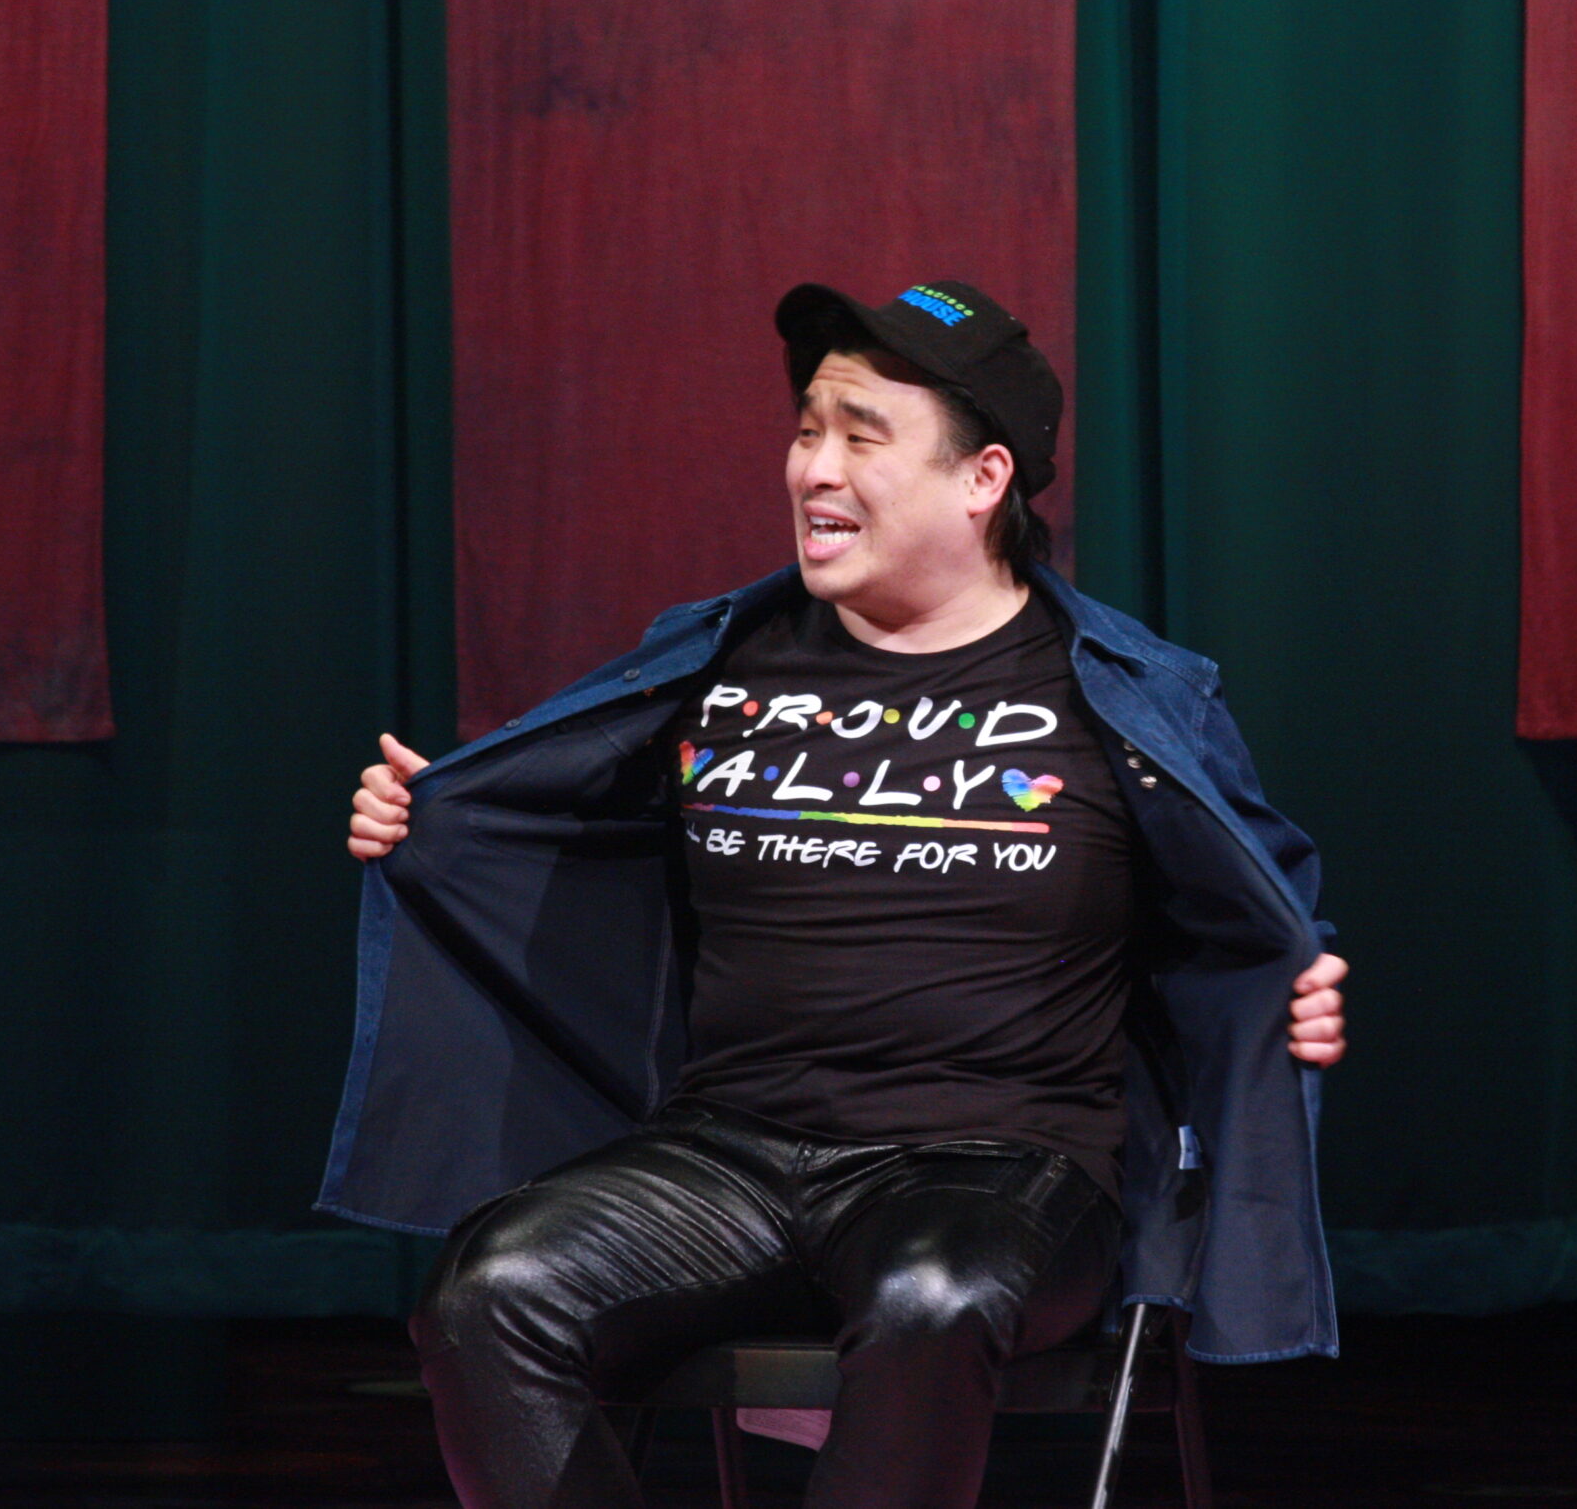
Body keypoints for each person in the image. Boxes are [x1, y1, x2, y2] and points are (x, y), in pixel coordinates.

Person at [330, 280, 1347, 1509]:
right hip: (728, 1155)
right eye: (808, 430)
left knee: (931, 1295)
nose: (814, 468)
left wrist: (1288, 996)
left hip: (998, 1171)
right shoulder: (718, 662)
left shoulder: (1126, 700)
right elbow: (555, 838)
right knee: (488, 1293)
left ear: (982, 480)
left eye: (863, 437)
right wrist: (433, 821)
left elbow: (1239, 919)